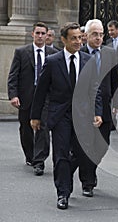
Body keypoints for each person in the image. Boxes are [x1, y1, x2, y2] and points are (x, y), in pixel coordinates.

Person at [30, 22, 103, 210]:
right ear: (64, 40)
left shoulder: (88, 60)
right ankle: (63, 192)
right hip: (60, 115)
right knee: (61, 154)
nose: (78, 41)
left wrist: (98, 112)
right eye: (74, 38)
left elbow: (95, 89)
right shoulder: (53, 61)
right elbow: (41, 90)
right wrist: (35, 116)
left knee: (81, 153)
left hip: (83, 115)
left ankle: (65, 174)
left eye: (80, 37)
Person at [7, 22, 57, 175]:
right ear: (32, 34)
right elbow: (13, 75)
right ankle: (30, 155)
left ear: (47, 35)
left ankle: (39, 160)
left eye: (43, 33)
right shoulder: (21, 52)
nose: (40, 36)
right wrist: (13, 95)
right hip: (27, 96)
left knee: (43, 127)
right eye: (38, 33)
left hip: (46, 98)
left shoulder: (54, 53)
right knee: (26, 128)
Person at [80, 19, 118, 196]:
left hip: (104, 107)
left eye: (101, 34)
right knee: (86, 145)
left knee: (102, 145)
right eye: (95, 34)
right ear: (86, 35)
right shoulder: (79, 53)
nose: (98, 38)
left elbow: (116, 80)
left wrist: (116, 104)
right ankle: (87, 181)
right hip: (83, 109)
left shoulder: (110, 53)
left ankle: (91, 170)